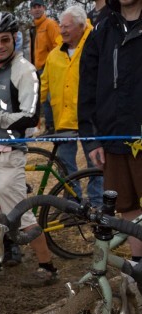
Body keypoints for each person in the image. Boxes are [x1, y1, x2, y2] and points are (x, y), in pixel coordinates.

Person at [0, 11, 58, 287]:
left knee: (21, 215)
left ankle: (48, 267)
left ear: (14, 38)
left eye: (5, 40)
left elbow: (30, 117)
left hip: (8, 155)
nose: (0, 46)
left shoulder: (24, 71)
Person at [80, 0, 142, 264]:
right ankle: (140, 264)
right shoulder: (100, 30)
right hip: (113, 137)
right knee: (127, 204)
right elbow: (87, 87)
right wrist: (93, 138)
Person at [40, 5, 103, 205]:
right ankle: (73, 204)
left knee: (96, 163)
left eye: (67, 27)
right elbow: (43, 86)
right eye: (61, 26)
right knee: (65, 165)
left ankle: (97, 203)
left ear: (81, 26)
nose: (62, 30)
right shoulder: (54, 55)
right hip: (63, 120)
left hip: (90, 119)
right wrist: (32, 111)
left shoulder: (96, 45)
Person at [29, 0, 60, 134]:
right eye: (34, 7)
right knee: (44, 100)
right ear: (30, 10)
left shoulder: (50, 24)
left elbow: (58, 45)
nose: (36, 9)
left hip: (49, 68)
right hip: (38, 69)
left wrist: (52, 65)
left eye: (39, 6)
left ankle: (54, 127)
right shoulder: (34, 28)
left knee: (49, 99)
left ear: (44, 8)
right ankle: (50, 127)